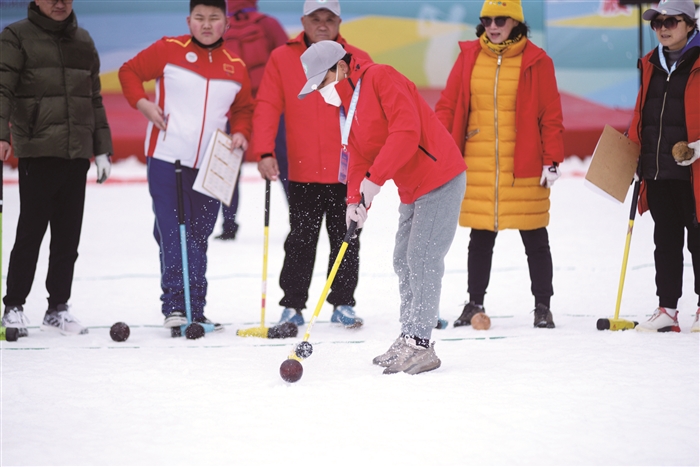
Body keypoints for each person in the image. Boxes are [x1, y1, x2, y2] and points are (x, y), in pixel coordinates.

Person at [298, 40, 467, 374]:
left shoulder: (380, 78)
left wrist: (375, 180)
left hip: (440, 176)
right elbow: (358, 154)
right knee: (403, 259)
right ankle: (408, 335)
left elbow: (406, 132)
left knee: (422, 258)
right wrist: (355, 201)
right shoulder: (347, 104)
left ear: (341, 67)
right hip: (412, 187)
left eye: (322, 81)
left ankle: (420, 342)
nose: (320, 91)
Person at [119, 0, 254, 331]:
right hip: (167, 158)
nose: (206, 24)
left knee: (198, 235)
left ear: (226, 23)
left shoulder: (235, 66)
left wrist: (240, 132)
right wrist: (143, 104)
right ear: (189, 21)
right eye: (199, 18)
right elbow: (129, 72)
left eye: (214, 18)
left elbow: (243, 109)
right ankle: (177, 307)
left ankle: (196, 308)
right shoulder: (168, 49)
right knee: (173, 230)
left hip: (211, 165)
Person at [434, 0, 565, 329]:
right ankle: (474, 303)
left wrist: (552, 159)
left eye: (501, 19)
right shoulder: (469, 56)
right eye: (487, 19)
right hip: (478, 163)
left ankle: (543, 307)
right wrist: (439, 149)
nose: (493, 26)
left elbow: (550, 115)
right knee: (480, 238)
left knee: (535, 238)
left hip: (524, 164)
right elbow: (448, 106)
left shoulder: (537, 61)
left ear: (516, 22)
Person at [252, 0, 371, 328]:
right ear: (303, 21)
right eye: (315, 18)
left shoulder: (357, 59)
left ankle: (343, 303)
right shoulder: (282, 58)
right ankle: (292, 305)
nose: (322, 24)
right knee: (300, 240)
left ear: (339, 22)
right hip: (302, 171)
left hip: (347, 172)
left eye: (329, 18)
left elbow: (372, 110)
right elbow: (267, 104)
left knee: (346, 238)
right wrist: (264, 151)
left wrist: (372, 161)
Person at [0, 0, 113, 337]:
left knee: (67, 238)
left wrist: (102, 148)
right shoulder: (16, 37)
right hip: (38, 150)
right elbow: (2, 89)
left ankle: (58, 307)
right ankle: (14, 306)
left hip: (76, 153)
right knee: (30, 234)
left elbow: (94, 98)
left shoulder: (83, 40)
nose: (60, 3)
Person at [627, 0, 700, 333]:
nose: (662, 29)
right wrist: (634, 154)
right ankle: (667, 310)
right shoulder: (650, 63)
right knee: (666, 241)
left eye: (671, 22)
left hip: (694, 173)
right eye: (657, 23)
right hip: (658, 170)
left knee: (698, 241)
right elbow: (641, 113)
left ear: (690, 24)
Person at [215, 0, 290, 241]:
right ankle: (298, 220)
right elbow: (288, 61)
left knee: (228, 168)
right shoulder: (268, 24)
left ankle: (228, 225)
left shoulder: (220, 27)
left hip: (235, 109)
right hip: (271, 106)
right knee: (285, 164)